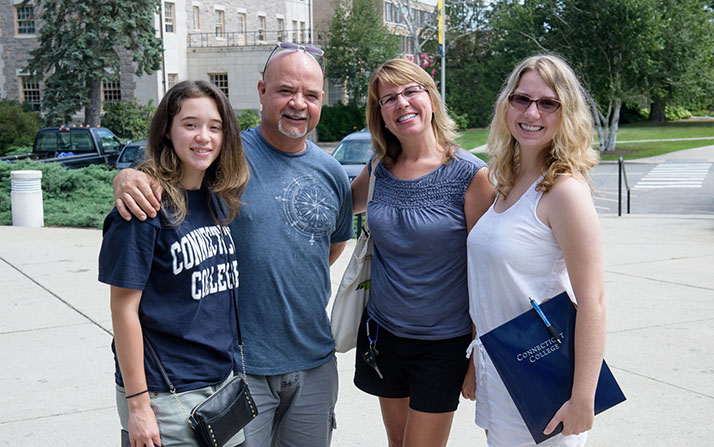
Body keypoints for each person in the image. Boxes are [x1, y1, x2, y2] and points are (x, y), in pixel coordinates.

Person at [111, 44, 353, 447]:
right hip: (240, 370)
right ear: (261, 91)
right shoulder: (233, 158)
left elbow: (330, 247)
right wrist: (127, 177)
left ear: (321, 100)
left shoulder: (331, 172)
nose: (298, 104)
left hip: (314, 364)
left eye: (310, 95)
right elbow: (173, 169)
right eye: (285, 90)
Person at [349, 58, 494, 447]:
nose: (402, 104)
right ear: (379, 113)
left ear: (430, 97)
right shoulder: (380, 168)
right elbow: (333, 208)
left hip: (443, 345)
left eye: (411, 91)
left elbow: (488, 273)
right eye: (389, 98)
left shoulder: (470, 175)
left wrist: (479, 357)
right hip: (383, 335)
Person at [98, 80, 250, 447]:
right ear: (167, 130)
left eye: (215, 127)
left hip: (220, 385)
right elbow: (123, 309)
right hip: (166, 394)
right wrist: (138, 405)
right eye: (190, 124)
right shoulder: (143, 207)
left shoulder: (215, 199)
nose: (204, 137)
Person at [465, 54, 605, 447]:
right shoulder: (506, 182)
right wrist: (475, 361)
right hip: (500, 371)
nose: (532, 112)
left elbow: (592, 300)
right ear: (506, 105)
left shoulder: (565, 192)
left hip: (544, 377)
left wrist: (583, 397)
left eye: (548, 103)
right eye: (521, 99)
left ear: (567, 113)